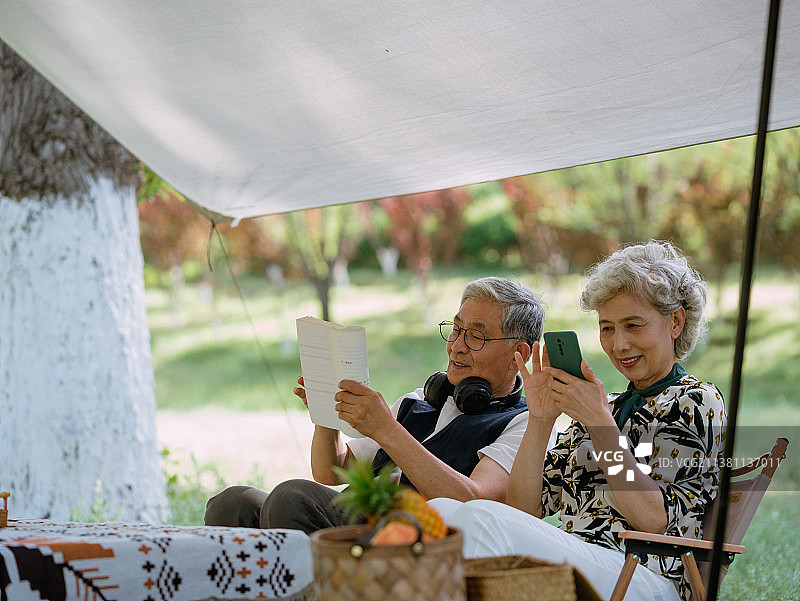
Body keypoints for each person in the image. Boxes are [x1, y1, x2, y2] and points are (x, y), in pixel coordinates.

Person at [430, 241, 727, 601]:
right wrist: (541, 419)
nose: (619, 345)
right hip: (594, 566)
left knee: (477, 519)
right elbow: (525, 509)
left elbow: (651, 520)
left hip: (647, 576)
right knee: (442, 511)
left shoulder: (694, 401)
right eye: (607, 328)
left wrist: (600, 424)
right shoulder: (606, 405)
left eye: (633, 325)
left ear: (676, 322)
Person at [205, 276, 547, 534]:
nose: (456, 346)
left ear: (520, 354)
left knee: (292, 497)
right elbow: (330, 469)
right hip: (359, 522)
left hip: (412, 543)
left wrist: (387, 429)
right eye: (455, 330)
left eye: (476, 335)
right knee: (232, 502)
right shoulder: (417, 401)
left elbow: (474, 500)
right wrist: (326, 408)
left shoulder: (522, 424)